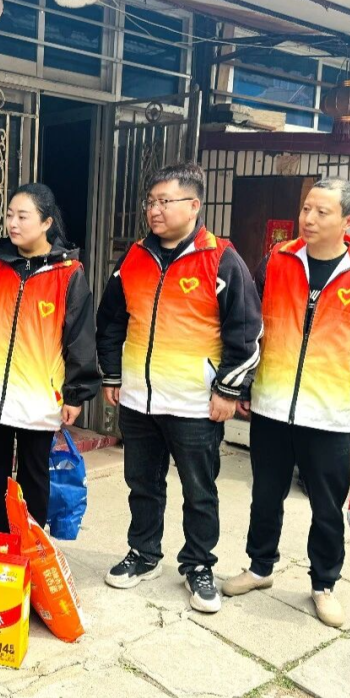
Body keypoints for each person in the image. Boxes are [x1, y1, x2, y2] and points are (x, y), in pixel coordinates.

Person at [225, 178, 350, 628]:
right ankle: (260, 567)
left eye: (322, 212)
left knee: (326, 507)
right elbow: (250, 328)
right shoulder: (277, 260)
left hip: (330, 413)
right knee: (265, 495)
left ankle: (324, 584)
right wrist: (243, 387)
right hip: (272, 405)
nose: (309, 219)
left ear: (348, 221)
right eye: (306, 209)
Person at [97, 162, 262, 614]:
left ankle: (198, 564)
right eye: (150, 202)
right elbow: (110, 321)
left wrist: (228, 390)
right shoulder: (133, 258)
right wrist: (112, 375)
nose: (154, 210)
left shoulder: (222, 259)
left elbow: (246, 333)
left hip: (195, 403)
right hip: (139, 399)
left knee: (198, 490)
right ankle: (143, 553)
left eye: (164, 201)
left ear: (194, 206)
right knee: (141, 483)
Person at [0, 183, 100, 532]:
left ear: (46, 223)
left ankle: (29, 546)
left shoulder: (68, 273)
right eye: (9, 215)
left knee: (33, 477)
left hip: (39, 398)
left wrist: (76, 394)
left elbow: (80, 339)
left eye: (22, 216)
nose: (12, 223)